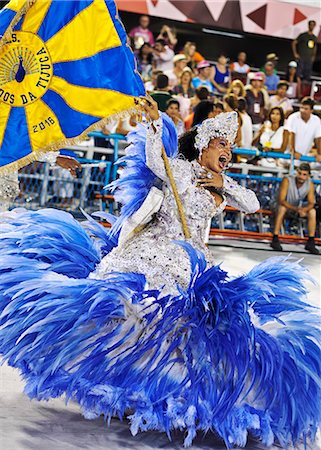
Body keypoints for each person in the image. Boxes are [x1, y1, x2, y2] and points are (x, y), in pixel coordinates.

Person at [0, 96, 320, 450]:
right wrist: (154, 123)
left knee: (186, 335)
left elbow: (254, 203)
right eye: (221, 144)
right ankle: (122, 387)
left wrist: (220, 184)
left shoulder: (222, 182)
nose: (227, 151)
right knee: (132, 318)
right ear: (202, 144)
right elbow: (156, 158)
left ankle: (163, 394)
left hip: (193, 262)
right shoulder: (178, 169)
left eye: (230, 146)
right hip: (154, 250)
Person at [271, 163, 319, 254]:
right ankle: (275, 237)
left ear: (308, 175)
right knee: (282, 208)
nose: (301, 176)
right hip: (278, 205)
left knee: (312, 211)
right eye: (299, 173)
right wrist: (297, 209)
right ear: (297, 172)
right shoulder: (287, 180)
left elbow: (311, 202)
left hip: (295, 207)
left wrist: (303, 210)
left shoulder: (310, 184)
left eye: (304, 174)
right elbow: (281, 200)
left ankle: (311, 241)